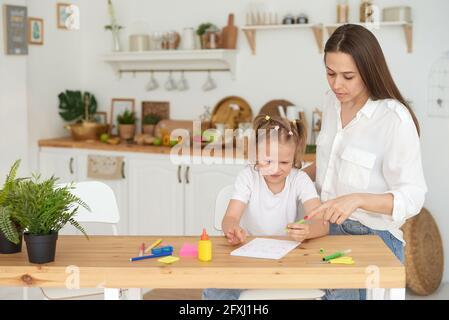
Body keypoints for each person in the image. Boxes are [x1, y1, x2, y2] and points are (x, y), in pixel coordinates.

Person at [303, 24, 428, 300]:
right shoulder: (330, 103)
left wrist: (357, 199)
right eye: (330, 73)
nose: (337, 85)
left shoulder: (393, 118)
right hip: (325, 231)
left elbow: (413, 196)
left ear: (369, 71)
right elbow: (328, 162)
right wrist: (293, 174)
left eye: (348, 76)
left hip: (372, 238)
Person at [202, 115, 329, 300]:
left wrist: (308, 230)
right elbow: (230, 218)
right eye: (268, 161)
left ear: (294, 158)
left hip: (288, 260)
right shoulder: (248, 177)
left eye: (284, 162)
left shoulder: (299, 179)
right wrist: (232, 229)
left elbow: (323, 223)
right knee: (217, 290)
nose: (275, 169)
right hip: (248, 257)